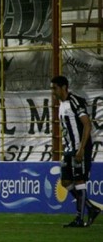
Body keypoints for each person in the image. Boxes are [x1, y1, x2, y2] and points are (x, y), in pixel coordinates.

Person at [51, 76, 101, 227]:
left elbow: (87, 125)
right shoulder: (61, 105)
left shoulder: (75, 101)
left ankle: (79, 218)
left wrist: (80, 149)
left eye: (54, 88)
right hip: (69, 149)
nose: (53, 91)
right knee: (65, 181)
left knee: (80, 181)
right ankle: (91, 208)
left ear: (64, 87)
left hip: (80, 148)